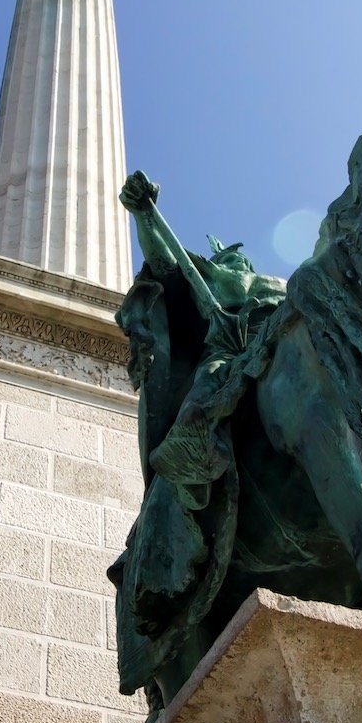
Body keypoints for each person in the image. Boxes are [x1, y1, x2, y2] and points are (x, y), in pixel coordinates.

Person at [117, 170, 286, 509]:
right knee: (204, 393)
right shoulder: (210, 278)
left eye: (239, 256)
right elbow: (163, 262)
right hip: (228, 355)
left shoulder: (278, 284)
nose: (235, 258)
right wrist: (144, 214)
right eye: (227, 256)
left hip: (278, 345)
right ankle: (191, 457)